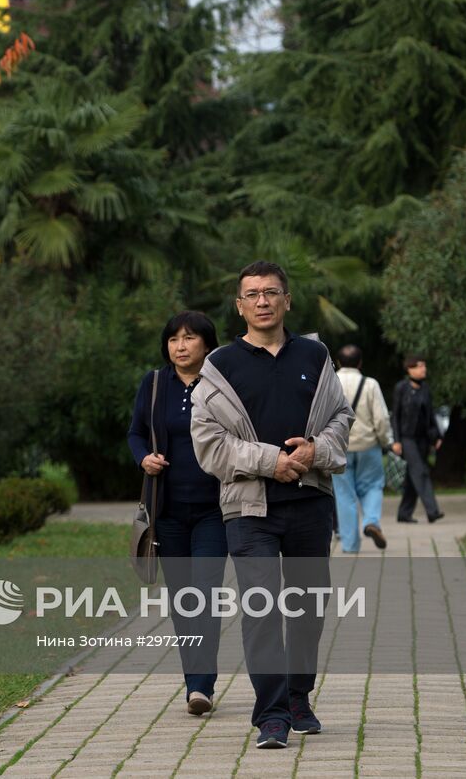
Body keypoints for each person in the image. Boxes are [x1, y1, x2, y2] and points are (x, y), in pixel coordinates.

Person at [191, 261, 353, 750]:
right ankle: (272, 714)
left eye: (271, 292)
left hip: (310, 502)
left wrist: (314, 451)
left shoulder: (315, 354)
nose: (262, 301)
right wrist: (271, 462)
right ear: (239, 306)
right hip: (248, 509)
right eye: (252, 294)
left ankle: (298, 697)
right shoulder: (219, 365)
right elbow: (208, 443)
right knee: (261, 609)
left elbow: (341, 417)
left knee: (307, 606)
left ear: (287, 299)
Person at [127, 311, 226, 717]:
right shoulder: (154, 384)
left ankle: (202, 684)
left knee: (205, 593)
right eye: (173, 339)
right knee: (183, 600)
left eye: (188, 338)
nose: (180, 346)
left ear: (207, 343)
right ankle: (194, 683)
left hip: (215, 509)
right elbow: (135, 432)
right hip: (166, 511)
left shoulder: (222, 382)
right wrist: (143, 458)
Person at [334, 345, 393, 553]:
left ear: (338, 362)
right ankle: (371, 522)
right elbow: (381, 418)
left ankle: (350, 545)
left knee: (344, 494)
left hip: (339, 447)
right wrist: (386, 441)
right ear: (360, 363)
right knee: (373, 486)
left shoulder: (330, 382)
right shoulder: (370, 384)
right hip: (368, 446)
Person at [391, 355, 444, 524]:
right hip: (406, 439)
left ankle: (404, 513)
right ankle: (432, 511)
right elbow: (395, 416)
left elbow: (430, 415)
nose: (424, 369)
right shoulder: (401, 388)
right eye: (420, 366)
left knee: (412, 476)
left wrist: (437, 436)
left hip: (423, 439)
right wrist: (396, 440)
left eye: (424, 366)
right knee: (420, 472)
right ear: (410, 369)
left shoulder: (425, 389)